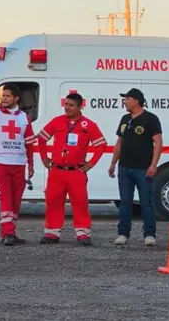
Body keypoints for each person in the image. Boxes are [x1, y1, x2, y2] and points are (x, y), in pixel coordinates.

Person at [37, 92, 107, 245]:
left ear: (79, 107)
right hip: (56, 171)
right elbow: (41, 138)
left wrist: (90, 163)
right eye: (66, 105)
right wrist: (44, 157)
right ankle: (52, 233)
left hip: (76, 171)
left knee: (80, 202)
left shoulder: (88, 125)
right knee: (53, 201)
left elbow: (101, 145)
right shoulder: (57, 121)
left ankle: (83, 233)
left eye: (70, 105)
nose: (66, 108)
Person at [0, 84, 36, 246]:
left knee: (16, 200)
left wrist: (31, 164)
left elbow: (30, 143)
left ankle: (9, 232)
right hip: (1, 163)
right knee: (6, 198)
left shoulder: (24, 117)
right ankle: (9, 232)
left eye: (7, 96)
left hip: (19, 164)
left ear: (16, 98)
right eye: (3, 96)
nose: (4, 98)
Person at [109, 88, 163, 247]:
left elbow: (158, 143)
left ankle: (149, 235)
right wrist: (113, 163)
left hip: (143, 168)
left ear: (136, 101)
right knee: (125, 202)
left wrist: (153, 165)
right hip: (124, 167)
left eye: (127, 99)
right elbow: (119, 143)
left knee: (146, 202)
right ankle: (123, 234)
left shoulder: (151, 119)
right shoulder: (125, 119)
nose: (124, 101)